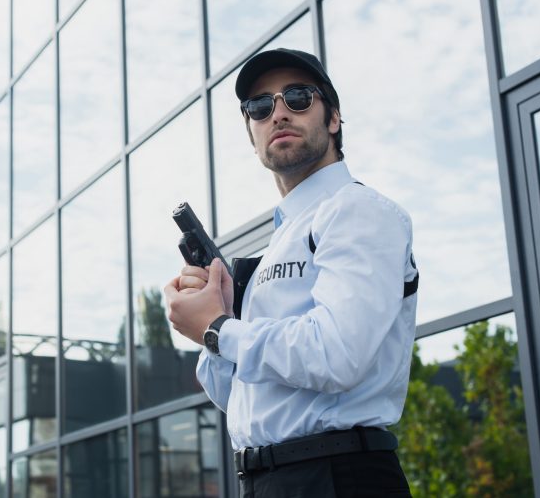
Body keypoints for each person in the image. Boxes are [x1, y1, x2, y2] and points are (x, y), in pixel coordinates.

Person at [164, 48, 418, 497]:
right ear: (252, 134)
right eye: (260, 107)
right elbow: (237, 397)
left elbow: (337, 354)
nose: (278, 112)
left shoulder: (356, 210)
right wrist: (215, 321)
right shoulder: (279, 245)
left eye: (298, 97)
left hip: (336, 475)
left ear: (334, 119)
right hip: (271, 479)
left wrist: (219, 329)